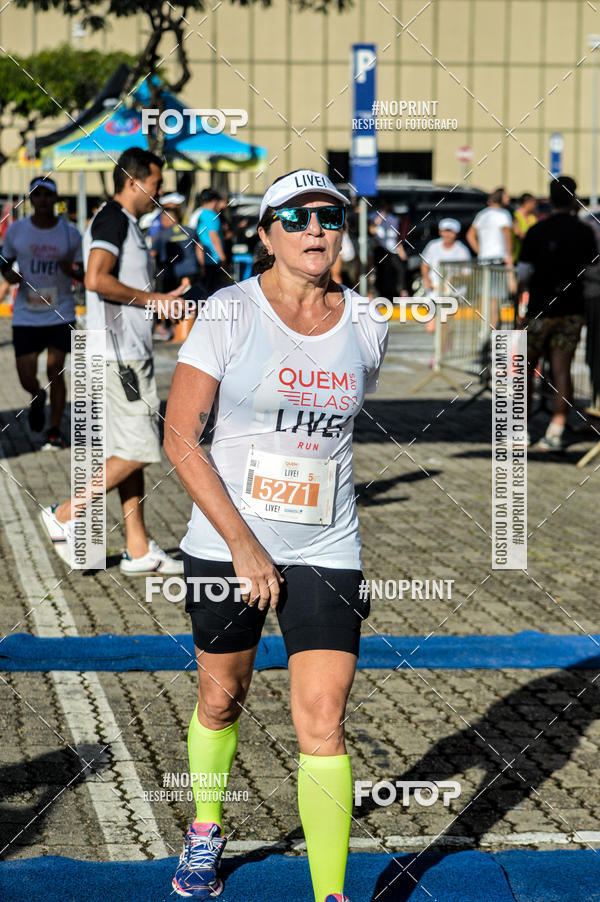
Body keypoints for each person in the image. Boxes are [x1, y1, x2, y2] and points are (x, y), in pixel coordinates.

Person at [164, 168, 388, 902]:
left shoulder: (367, 322)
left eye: (329, 216)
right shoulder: (229, 313)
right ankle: (204, 829)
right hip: (227, 544)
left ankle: (331, 893)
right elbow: (180, 438)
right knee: (221, 700)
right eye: (296, 218)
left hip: (328, 545)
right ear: (265, 234)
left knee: (323, 720)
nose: (316, 229)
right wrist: (243, 544)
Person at [39, 147, 185, 574]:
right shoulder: (113, 219)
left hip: (123, 352)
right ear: (134, 181)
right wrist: (154, 299)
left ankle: (138, 550)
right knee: (140, 450)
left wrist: (154, 304)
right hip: (118, 357)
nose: (159, 192)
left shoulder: (123, 223)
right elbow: (96, 278)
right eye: (156, 184)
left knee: (128, 448)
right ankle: (65, 513)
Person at [1, 176, 83, 450]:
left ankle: (54, 430)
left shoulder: (70, 233)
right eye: (37, 195)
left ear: (56, 199)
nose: (43, 200)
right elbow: (5, 262)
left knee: (54, 370)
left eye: (48, 195)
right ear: (31, 199)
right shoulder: (17, 231)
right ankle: (37, 396)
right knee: (26, 376)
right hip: (26, 313)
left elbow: (83, 272)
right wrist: (11, 276)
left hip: (60, 312)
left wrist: (69, 270)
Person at [518, 175, 597, 451]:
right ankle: (556, 428)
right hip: (572, 310)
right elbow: (591, 271)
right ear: (574, 198)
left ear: (549, 199)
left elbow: (523, 274)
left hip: (540, 309)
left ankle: (521, 430)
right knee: (562, 370)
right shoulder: (585, 231)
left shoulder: (538, 231)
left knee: (526, 369)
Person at [152, 192, 205, 340]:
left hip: (171, 274)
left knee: (173, 303)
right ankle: (191, 331)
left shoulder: (161, 235)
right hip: (191, 271)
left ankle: (172, 330)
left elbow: (153, 254)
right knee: (192, 301)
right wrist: (201, 268)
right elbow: (199, 249)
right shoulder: (190, 231)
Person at [368, 197, 408, 299]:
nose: (385, 208)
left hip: (393, 249)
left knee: (399, 270)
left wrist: (400, 248)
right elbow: (372, 230)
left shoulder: (394, 218)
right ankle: (380, 294)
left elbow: (397, 235)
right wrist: (381, 217)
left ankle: (401, 292)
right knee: (382, 272)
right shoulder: (373, 216)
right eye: (383, 206)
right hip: (380, 249)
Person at [421, 217, 471, 295]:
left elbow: (468, 273)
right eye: (445, 231)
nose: (447, 235)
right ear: (440, 232)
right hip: (433, 291)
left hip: (455, 294)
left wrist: (457, 278)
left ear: (456, 234)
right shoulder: (432, 246)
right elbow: (425, 265)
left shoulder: (463, 250)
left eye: (451, 232)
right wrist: (427, 279)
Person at [466, 187, 513, 266]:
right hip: (499, 259)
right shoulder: (504, 214)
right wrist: (509, 255)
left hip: (484, 260)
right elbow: (507, 235)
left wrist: (480, 252)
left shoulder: (482, 214)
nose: (509, 198)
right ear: (500, 197)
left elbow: (470, 235)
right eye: (506, 196)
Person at [195, 189, 229, 296]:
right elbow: (214, 237)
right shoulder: (211, 215)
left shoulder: (201, 214)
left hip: (205, 257)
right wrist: (222, 256)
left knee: (207, 288)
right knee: (215, 290)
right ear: (214, 201)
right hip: (213, 258)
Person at [512, 192, 537, 262]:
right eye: (533, 203)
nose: (534, 206)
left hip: (531, 257)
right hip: (518, 256)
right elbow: (518, 234)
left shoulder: (533, 217)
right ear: (527, 203)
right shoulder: (515, 216)